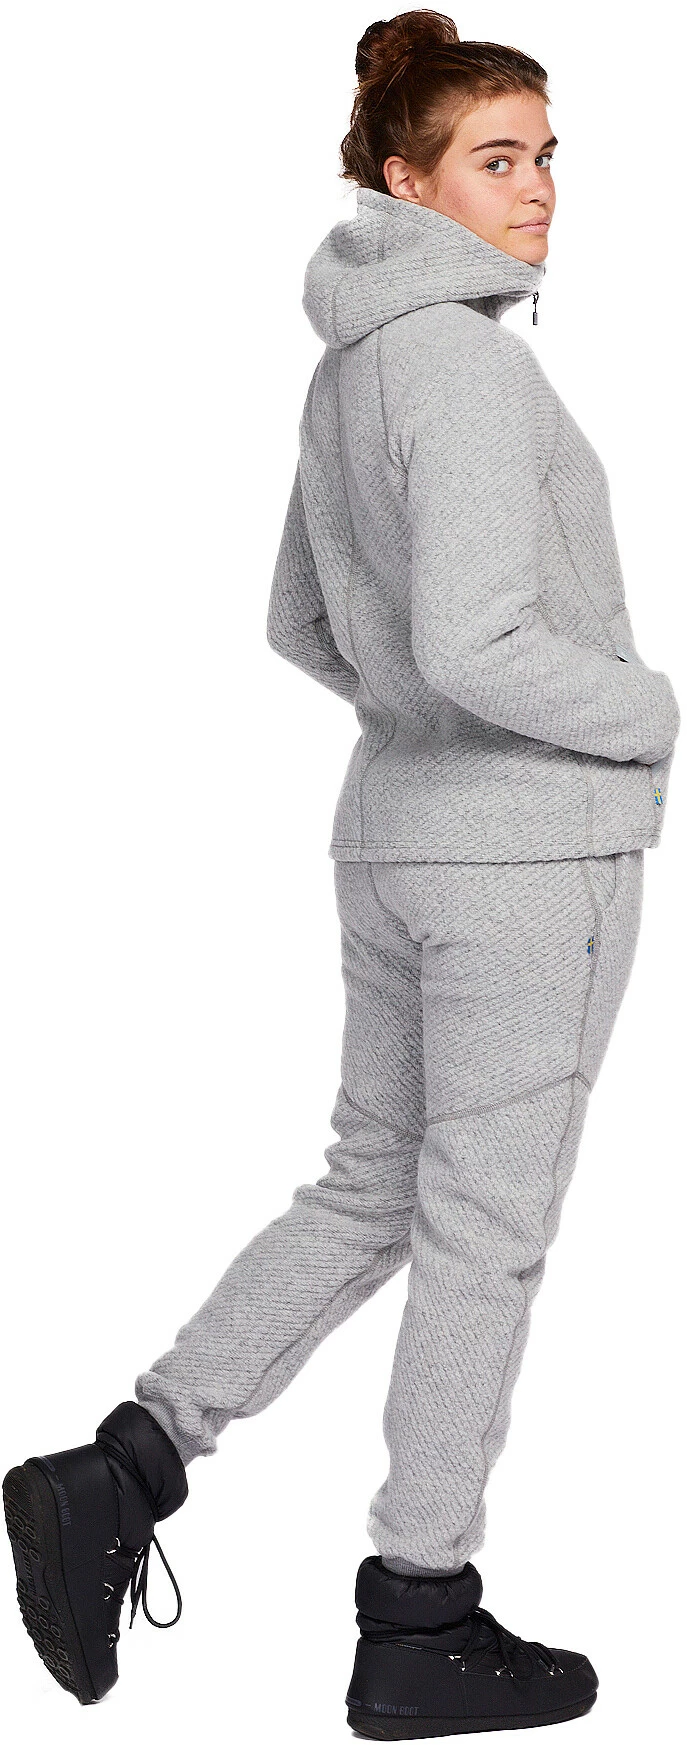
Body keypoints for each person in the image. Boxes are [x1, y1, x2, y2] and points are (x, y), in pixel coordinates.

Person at [3, 11, 680, 1737]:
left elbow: (301, 623)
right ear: (405, 180)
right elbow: (473, 641)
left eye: (547, 156)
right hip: (524, 857)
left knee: (373, 1186)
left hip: (393, 841)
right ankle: (418, 1614)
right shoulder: (464, 365)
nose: (538, 191)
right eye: (495, 160)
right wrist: (645, 710)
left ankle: (128, 1463)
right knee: (479, 1237)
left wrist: (416, 720)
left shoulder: (351, 367)